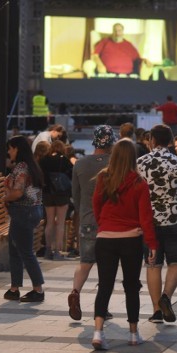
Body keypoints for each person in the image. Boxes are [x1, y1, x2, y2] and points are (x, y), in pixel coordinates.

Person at [90, 139, 157, 350]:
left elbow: (96, 204)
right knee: (131, 286)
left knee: (105, 285)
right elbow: (145, 217)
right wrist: (152, 244)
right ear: (132, 157)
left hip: (105, 238)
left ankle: (98, 332)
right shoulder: (139, 183)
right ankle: (134, 334)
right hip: (131, 239)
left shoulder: (103, 178)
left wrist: (104, 224)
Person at [137, 124, 177, 324]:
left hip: (149, 222)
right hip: (176, 219)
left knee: (153, 265)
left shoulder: (140, 163)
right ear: (169, 140)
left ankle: (157, 310)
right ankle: (166, 296)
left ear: (152, 141)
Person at [68, 125, 116, 321]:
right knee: (107, 268)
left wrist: (84, 213)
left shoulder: (79, 164)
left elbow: (75, 195)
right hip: (110, 223)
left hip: (88, 220)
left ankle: (75, 292)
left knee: (85, 263)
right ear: (111, 142)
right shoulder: (116, 165)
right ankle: (101, 308)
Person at [3, 135, 46, 302]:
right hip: (34, 210)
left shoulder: (21, 168)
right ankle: (14, 288)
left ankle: (38, 290)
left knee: (26, 252)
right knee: (15, 250)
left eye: (10, 148)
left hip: (23, 212)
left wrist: (4, 199)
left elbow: (18, 192)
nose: (9, 152)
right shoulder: (32, 165)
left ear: (17, 149)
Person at [39, 139, 73, 260]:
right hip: (62, 194)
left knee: (49, 222)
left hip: (48, 193)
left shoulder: (44, 160)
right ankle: (58, 252)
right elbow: (71, 176)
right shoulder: (64, 160)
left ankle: (48, 250)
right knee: (60, 223)